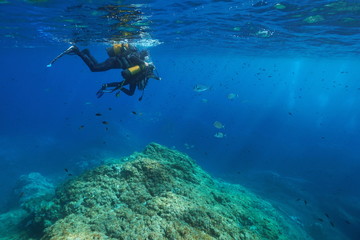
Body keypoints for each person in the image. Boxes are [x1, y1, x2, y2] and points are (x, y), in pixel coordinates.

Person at [65, 43, 160, 99]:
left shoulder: (136, 76)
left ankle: (87, 52)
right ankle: (77, 51)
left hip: (115, 63)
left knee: (97, 66)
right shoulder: (140, 66)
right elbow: (123, 84)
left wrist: (107, 85)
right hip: (114, 61)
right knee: (94, 68)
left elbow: (123, 86)